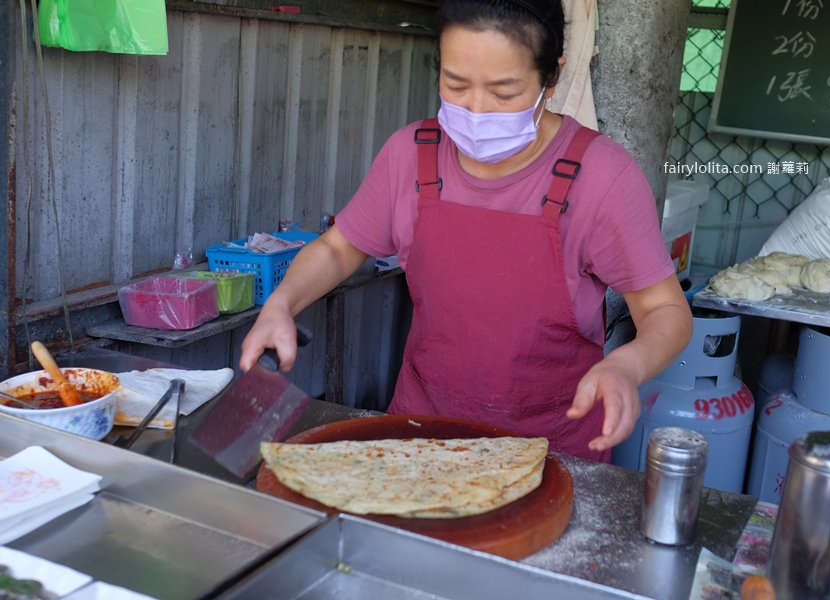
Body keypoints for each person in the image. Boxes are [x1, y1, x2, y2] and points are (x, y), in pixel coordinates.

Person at [240, 0, 693, 461]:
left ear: (551, 77)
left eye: (504, 92)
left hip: (553, 451)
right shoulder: (410, 156)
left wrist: (627, 364)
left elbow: (666, 311)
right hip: (419, 433)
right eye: (456, 85)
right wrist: (282, 303)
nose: (476, 111)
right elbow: (338, 249)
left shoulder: (601, 175)